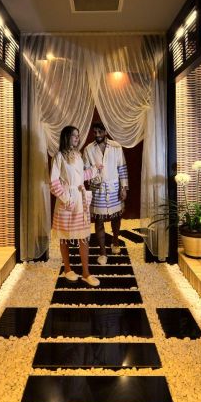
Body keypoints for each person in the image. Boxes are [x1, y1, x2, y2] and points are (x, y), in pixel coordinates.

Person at [50, 125, 102, 286]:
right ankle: (67, 269)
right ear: (67, 137)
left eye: (78, 136)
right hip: (66, 200)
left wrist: (94, 170)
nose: (77, 138)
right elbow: (53, 182)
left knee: (83, 236)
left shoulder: (78, 155)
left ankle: (86, 273)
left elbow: (80, 177)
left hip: (79, 199)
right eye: (74, 135)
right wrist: (66, 198)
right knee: (64, 237)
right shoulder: (59, 157)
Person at [83, 121, 128, 265]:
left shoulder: (116, 147)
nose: (97, 135)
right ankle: (102, 252)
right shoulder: (88, 149)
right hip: (97, 188)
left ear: (105, 132)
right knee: (99, 220)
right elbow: (85, 170)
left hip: (114, 187)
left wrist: (123, 187)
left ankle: (115, 241)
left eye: (100, 132)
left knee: (116, 217)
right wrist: (93, 175)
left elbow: (122, 167)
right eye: (95, 132)